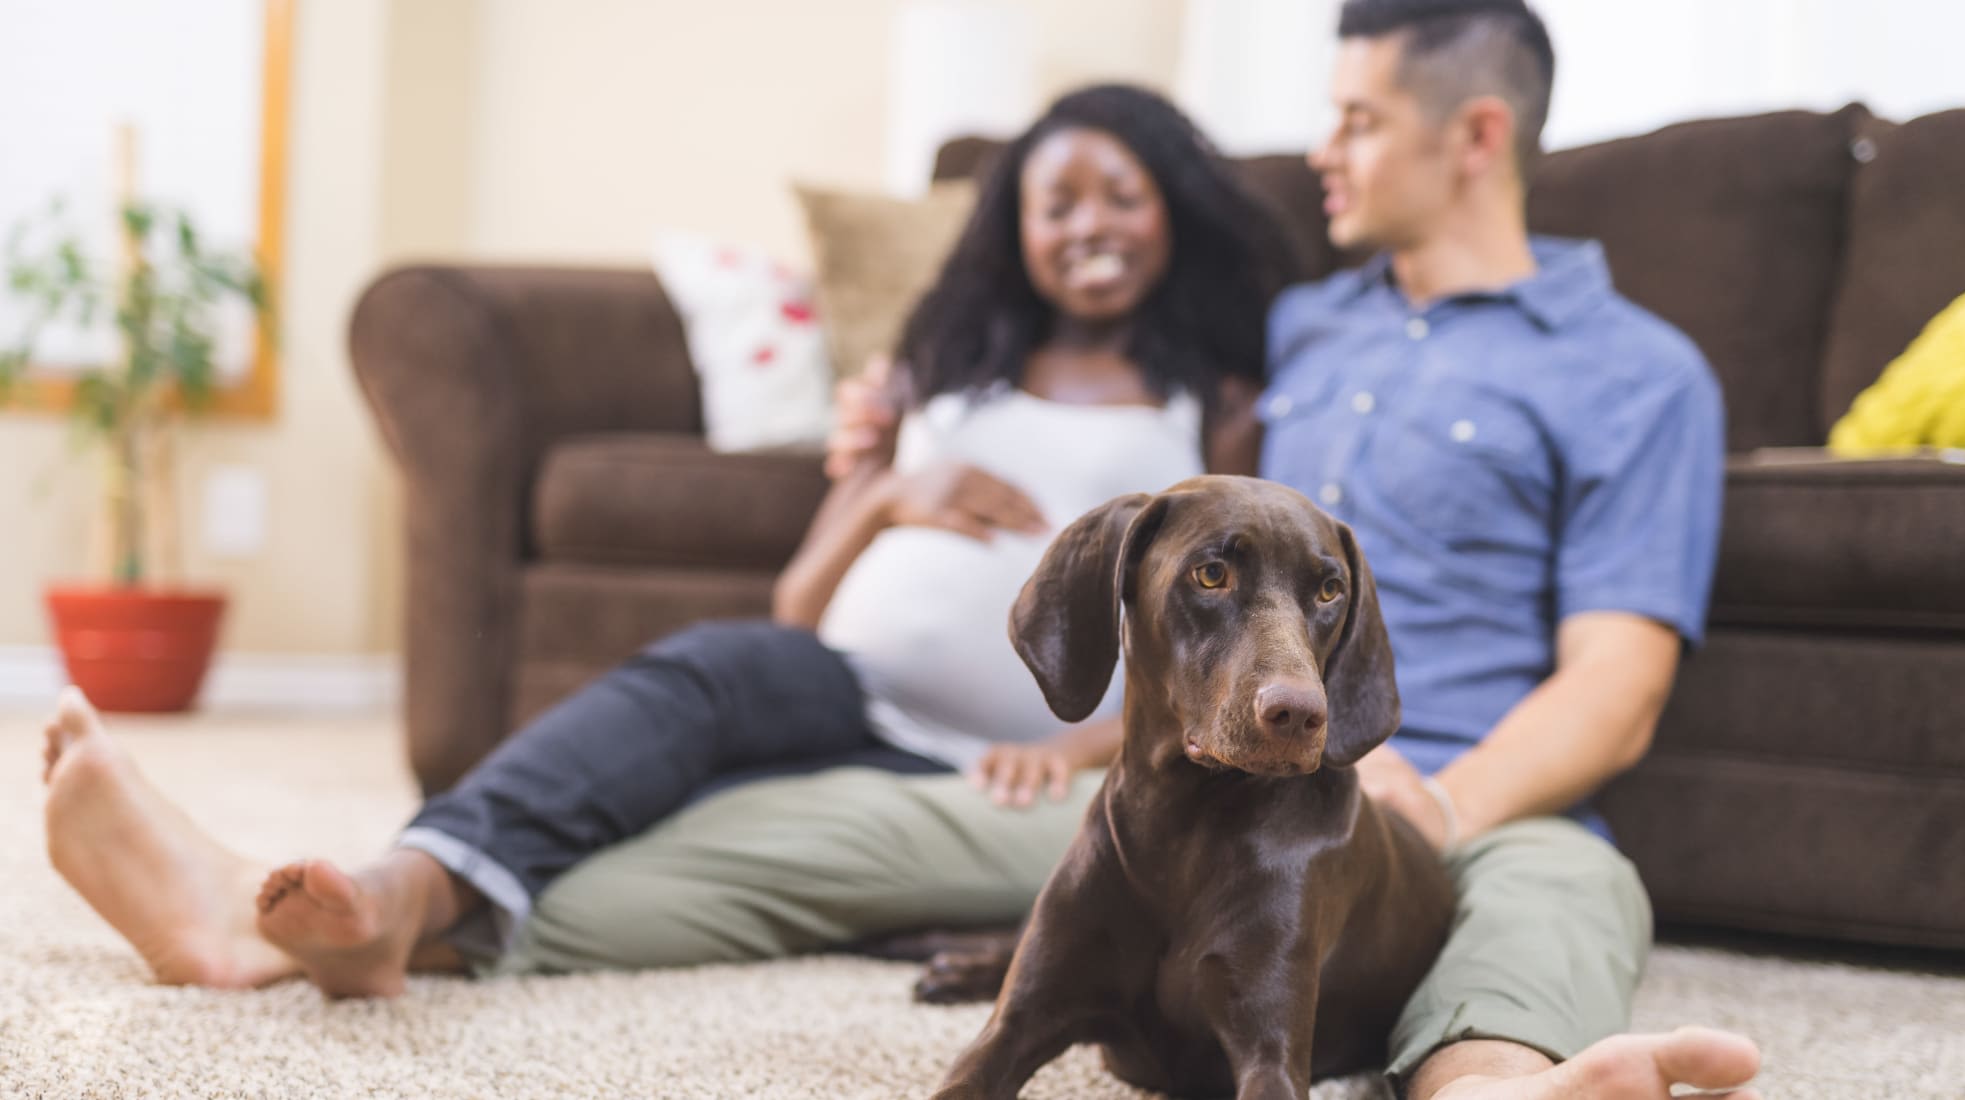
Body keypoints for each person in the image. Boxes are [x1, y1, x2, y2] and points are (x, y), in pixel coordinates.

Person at [35, 84, 1296, 997]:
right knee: (695, 674)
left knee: (658, 841)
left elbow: (1231, 634)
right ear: (1008, 229)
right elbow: (800, 604)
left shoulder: (1218, 406)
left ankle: (281, 919)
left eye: (1118, 197)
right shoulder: (937, 377)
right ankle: (387, 894)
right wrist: (875, 499)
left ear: (1169, 213)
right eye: (1052, 202)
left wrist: (1069, 743)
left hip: (997, 761)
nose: (1087, 225)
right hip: (835, 686)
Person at [783, 1, 1765, 1097]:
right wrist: (891, 403)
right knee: (784, 836)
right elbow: (1089, 347)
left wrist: (1434, 802)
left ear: (1474, 136)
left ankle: (1492, 1084)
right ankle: (551, 889)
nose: (1319, 151)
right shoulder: (1291, 326)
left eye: (1354, 121)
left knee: (1553, 904)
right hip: (1187, 785)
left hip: (1475, 802)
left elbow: (1617, 686)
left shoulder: (1637, 372)